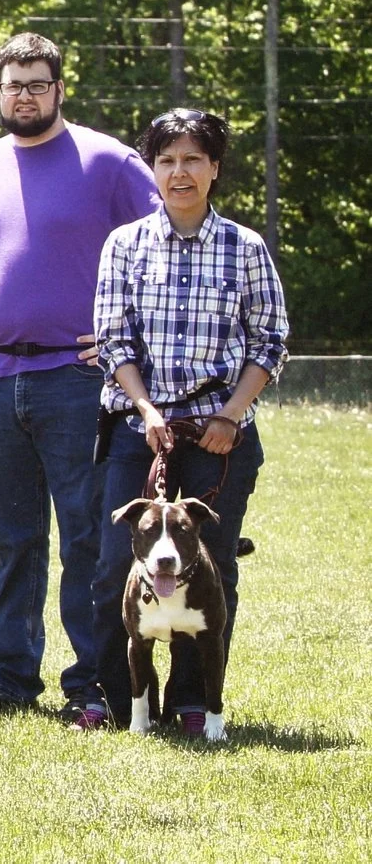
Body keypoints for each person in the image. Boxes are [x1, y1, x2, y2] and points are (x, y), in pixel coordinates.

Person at [0, 34, 159, 720]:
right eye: (14, 85)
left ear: (60, 89)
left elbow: (163, 254)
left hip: (78, 378)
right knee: (13, 541)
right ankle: (10, 677)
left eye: (39, 84)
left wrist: (127, 337)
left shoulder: (109, 162)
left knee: (86, 540)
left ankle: (92, 683)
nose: (26, 96)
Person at [90, 108, 285, 735]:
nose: (180, 172)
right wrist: (145, 409)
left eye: (193, 160)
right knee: (113, 568)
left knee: (212, 566)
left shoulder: (245, 248)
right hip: (136, 429)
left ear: (214, 169)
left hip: (219, 433)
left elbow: (270, 341)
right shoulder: (124, 245)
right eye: (168, 160)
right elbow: (113, 339)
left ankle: (195, 701)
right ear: (153, 170)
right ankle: (116, 700)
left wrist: (232, 415)